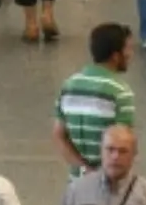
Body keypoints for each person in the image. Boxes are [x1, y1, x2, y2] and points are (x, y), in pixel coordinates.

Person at [53, 23, 137, 173]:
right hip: (110, 183)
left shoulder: (69, 86)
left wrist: (84, 169)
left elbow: (59, 135)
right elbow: (123, 143)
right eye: (128, 49)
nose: (131, 54)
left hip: (77, 184)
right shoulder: (120, 92)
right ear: (116, 56)